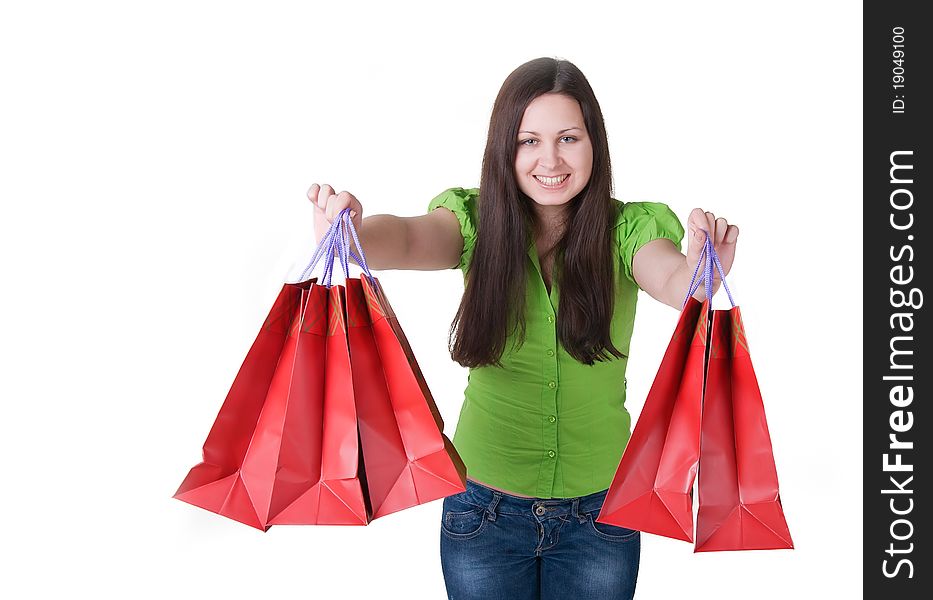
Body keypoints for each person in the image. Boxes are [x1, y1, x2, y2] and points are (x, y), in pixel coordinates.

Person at [307, 57, 739, 600]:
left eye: (568, 138)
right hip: (484, 509)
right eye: (528, 141)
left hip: (602, 513)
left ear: (594, 145)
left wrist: (701, 270)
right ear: (503, 150)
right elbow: (413, 239)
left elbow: (672, 278)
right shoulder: (474, 221)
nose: (550, 159)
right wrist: (351, 233)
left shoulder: (630, 228)